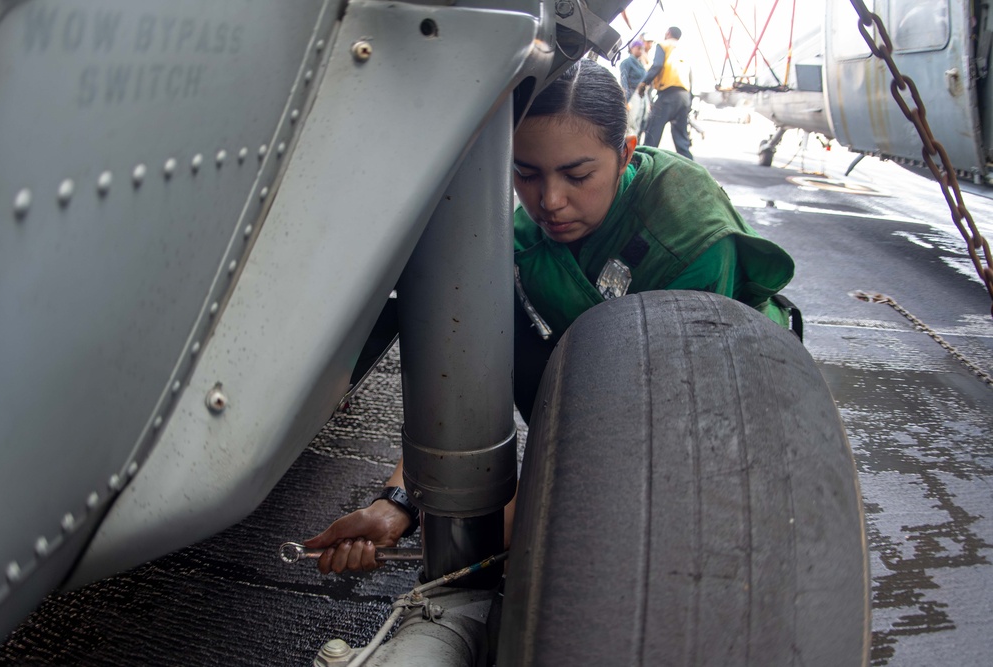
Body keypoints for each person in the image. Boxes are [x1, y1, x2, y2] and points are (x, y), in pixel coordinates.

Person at [303, 59, 795, 574]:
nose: (550, 202)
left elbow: (669, 420)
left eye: (577, 175)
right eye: (525, 173)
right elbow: (465, 379)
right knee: (483, 313)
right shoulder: (516, 241)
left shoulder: (690, 234)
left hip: (711, 407)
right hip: (597, 385)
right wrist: (403, 503)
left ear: (625, 154)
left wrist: (523, 517)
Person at [636, 26, 694, 159]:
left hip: (668, 95)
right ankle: (692, 171)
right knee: (682, 141)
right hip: (684, 96)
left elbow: (657, 65)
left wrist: (644, 83)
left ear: (668, 33)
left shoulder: (663, 45)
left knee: (652, 135)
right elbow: (690, 75)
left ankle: (642, 166)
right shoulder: (685, 51)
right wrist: (690, 98)